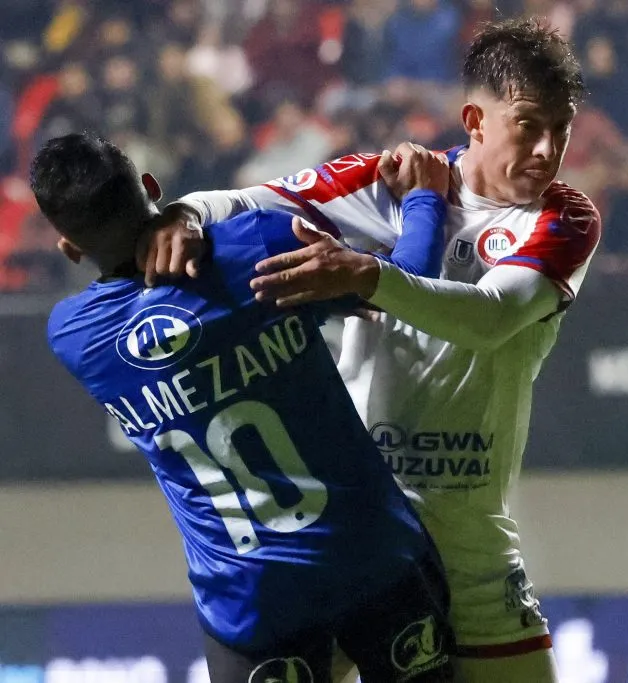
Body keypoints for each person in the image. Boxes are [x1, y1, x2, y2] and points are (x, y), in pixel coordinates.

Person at [128, 18, 602, 683]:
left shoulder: (566, 219)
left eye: (562, 129)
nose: (548, 149)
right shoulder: (383, 186)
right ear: (475, 118)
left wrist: (364, 273)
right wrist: (184, 215)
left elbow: (491, 318)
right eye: (529, 125)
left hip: (469, 532)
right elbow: (247, 201)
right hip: (360, 526)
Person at [36, 132, 456, 683]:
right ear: (151, 186)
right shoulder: (260, 243)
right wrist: (424, 198)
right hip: (371, 555)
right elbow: (411, 290)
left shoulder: (74, 337)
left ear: (69, 245)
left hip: (251, 600)